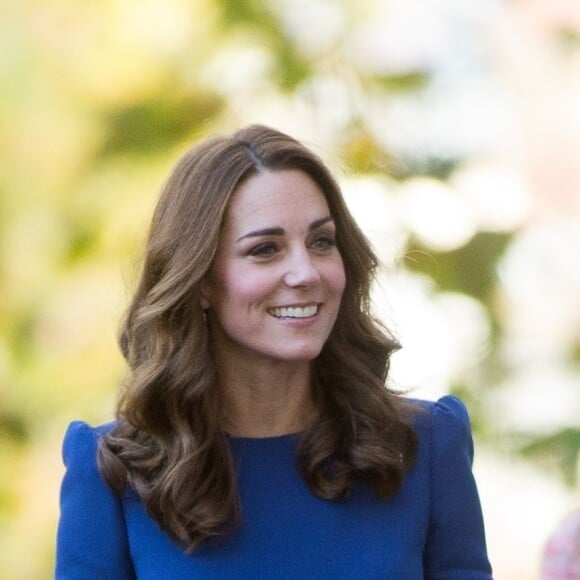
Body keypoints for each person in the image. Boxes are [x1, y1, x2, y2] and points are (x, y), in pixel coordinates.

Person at [55, 124, 493, 579]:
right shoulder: (112, 473)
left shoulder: (424, 448)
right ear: (201, 281)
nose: (305, 272)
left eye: (321, 242)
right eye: (265, 250)